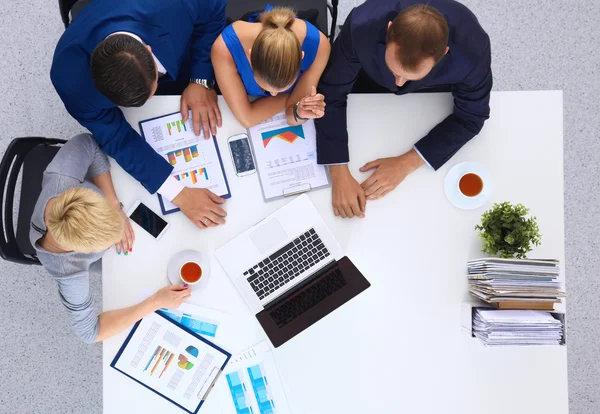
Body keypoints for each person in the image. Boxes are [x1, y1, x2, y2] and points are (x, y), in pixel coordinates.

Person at [51, 0, 228, 230]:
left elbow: (214, 10)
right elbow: (116, 137)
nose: (151, 102)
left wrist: (200, 80)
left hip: (183, 54)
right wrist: (178, 193)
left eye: (150, 92)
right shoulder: (70, 80)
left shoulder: (176, 5)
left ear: (148, 50)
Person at [315, 0, 492, 218]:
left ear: (445, 53)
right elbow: (331, 92)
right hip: (366, 79)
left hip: (429, 94)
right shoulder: (361, 25)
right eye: (396, 71)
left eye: (407, 76)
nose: (399, 83)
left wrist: (407, 162)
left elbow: (472, 115)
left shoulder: (472, 49)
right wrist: (338, 170)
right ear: (389, 30)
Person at [30, 134, 191, 343]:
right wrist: (154, 302)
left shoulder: (63, 178)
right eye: (107, 242)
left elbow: (88, 142)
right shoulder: (69, 273)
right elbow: (89, 333)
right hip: (114, 265)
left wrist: (115, 206)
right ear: (85, 251)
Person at [211, 6, 330, 127]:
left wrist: (300, 112)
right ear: (251, 56)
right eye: (268, 88)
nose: (274, 95)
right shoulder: (224, 49)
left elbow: (291, 117)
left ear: (301, 57)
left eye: (282, 88)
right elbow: (247, 119)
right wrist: (294, 97)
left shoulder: (319, 48)